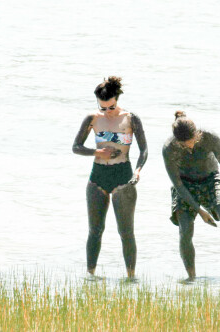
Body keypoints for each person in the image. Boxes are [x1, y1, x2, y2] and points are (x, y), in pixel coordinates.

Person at [73, 76, 148, 279]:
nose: (107, 111)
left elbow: (144, 150)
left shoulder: (131, 118)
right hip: (97, 177)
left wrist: (138, 170)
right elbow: (76, 147)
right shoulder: (93, 118)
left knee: (126, 233)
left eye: (111, 107)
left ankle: (131, 277)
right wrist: (97, 153)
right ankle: (90, 276)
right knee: (95, 231)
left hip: (123, 176)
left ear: (117, 99)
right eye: (103, 108)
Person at [162, 111, 220, 281]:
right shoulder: (169, 148)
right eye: (185, 146)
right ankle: (191, 277)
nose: (190, 147)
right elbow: (177, 184)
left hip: (210, 179)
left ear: (197, 134)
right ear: (178, 141)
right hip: (184, 185)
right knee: (185, 230)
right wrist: (199, 210)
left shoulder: (210, 138)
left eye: (192, 142)